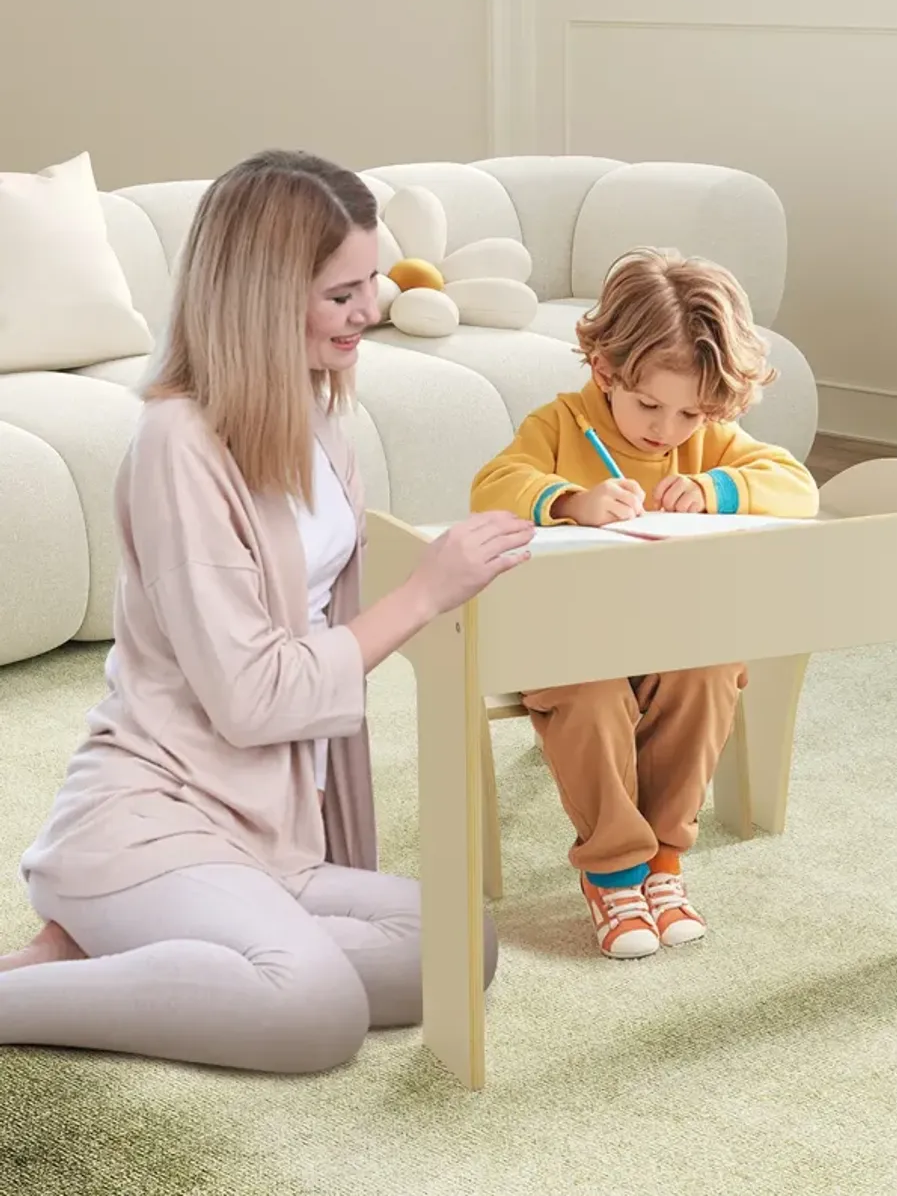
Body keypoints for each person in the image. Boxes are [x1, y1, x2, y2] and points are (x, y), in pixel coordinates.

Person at [0, 150, 535, 1073]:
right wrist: (422, 593)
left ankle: (150, 949)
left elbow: (328, 615)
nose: (371, 309)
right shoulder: (178, 444)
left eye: (371, 280)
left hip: (270, 831)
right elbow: (252, 697)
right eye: (342, 294)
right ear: (259, 297)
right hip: (157, 814)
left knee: (463, 945)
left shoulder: (318, 412)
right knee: (314, 1006)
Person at [469, 246, 819, 960]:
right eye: (649, 406)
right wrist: (570, 499)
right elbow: (493, 485)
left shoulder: (707, 438)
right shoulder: (562, 423)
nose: (666, 430)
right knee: (591, 695)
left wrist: (719, 489)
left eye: (691, 412)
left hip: (667, 631)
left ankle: (663, 858)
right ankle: (613, 869)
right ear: (606, 371)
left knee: (712, 671)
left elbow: (795, 487)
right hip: (564, 638)